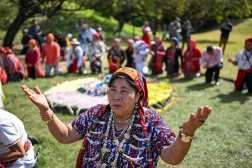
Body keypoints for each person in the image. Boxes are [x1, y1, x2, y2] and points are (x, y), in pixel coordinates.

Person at [21, 67, 212, 167]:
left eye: (124, 91)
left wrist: (186, 134)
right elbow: (65, 135)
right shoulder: (98, 113)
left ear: (138, 95)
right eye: (112, 89)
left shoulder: (150, 121)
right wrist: (47, 111)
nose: (115, 96)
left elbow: (172, 157)